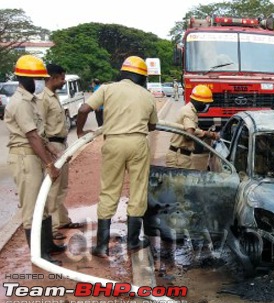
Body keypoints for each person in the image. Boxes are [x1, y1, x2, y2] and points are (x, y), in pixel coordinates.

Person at [76, 56, 158, 257]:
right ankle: (132, 241)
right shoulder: (147, 95)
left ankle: (102, 246)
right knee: (138, 190)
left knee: (109, 190)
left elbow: (83, 109)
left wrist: (80, 132)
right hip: (138, 143)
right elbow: (153, 126)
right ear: (141, 77)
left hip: (113, 142)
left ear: (123, 73)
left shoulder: (107, 89)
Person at [5, 55, 65, 265]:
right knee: (32, 207)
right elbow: (31, 136)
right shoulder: (20, 103)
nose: (39, 83)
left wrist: (50, 150)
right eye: (36, 79)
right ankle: (39, 256)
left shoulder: (30, 100)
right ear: (24, 79)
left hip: (34, 154)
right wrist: (49, 164)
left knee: (45, 205)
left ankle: (48, 246)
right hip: (25, 157)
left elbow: (39, 134)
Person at [38, 64, 85, 241]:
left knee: (62, 186)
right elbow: (39, 128)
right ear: (52, 77)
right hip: (52, 145)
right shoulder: (43, 99)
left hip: (61, 144)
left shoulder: (54, 97)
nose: (63, 81)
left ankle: (62, 220)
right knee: (53, 188)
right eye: (62, 78)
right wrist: (48, 153)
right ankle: (52, 227)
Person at [166, 85, 219, 168]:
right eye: (206, 104)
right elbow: (189, 135)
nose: (206, 107)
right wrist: (207, 134)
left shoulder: (187, 109)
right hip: (179, 158)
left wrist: (202, 134)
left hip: (179, 155)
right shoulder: (189, 112)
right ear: (201, 103)